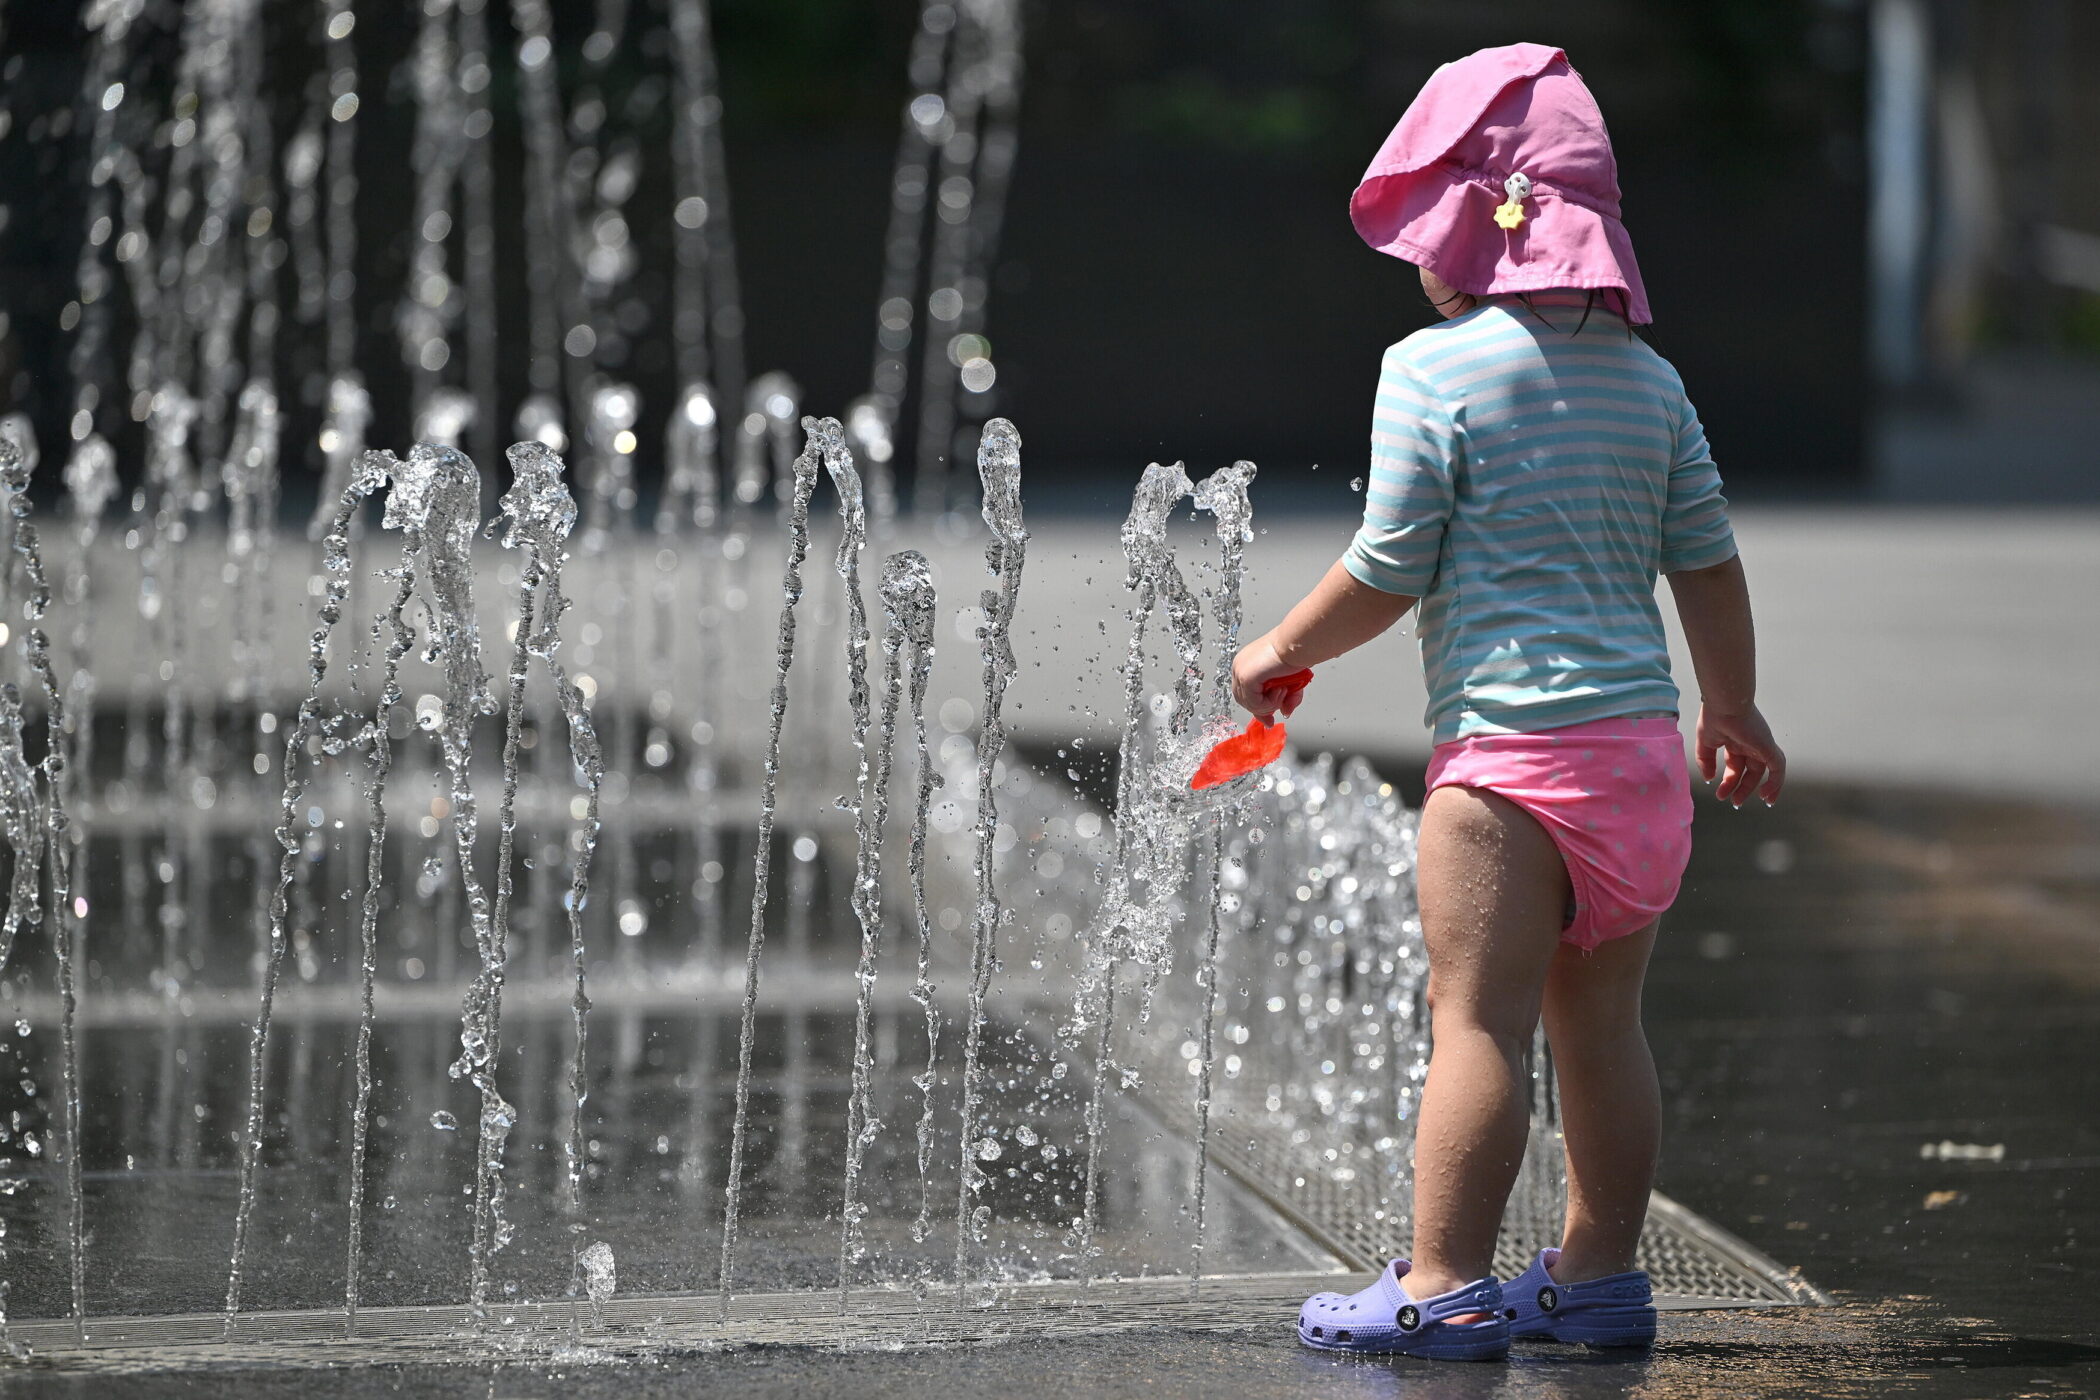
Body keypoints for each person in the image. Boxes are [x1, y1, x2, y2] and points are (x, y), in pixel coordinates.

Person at [1232, 42, 1785, 1361]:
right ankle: (1597, 1275)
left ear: (1475, 230)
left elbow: (1389, 566)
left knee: (1475, 1018)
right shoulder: (1654, 384)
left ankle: (1439, 1283)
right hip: (1641, 760)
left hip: (1506, 768)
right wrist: (1736, 710)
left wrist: (1280, 655)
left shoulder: (1434, 372)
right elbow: (1704, 555)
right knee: (1604, 1028)